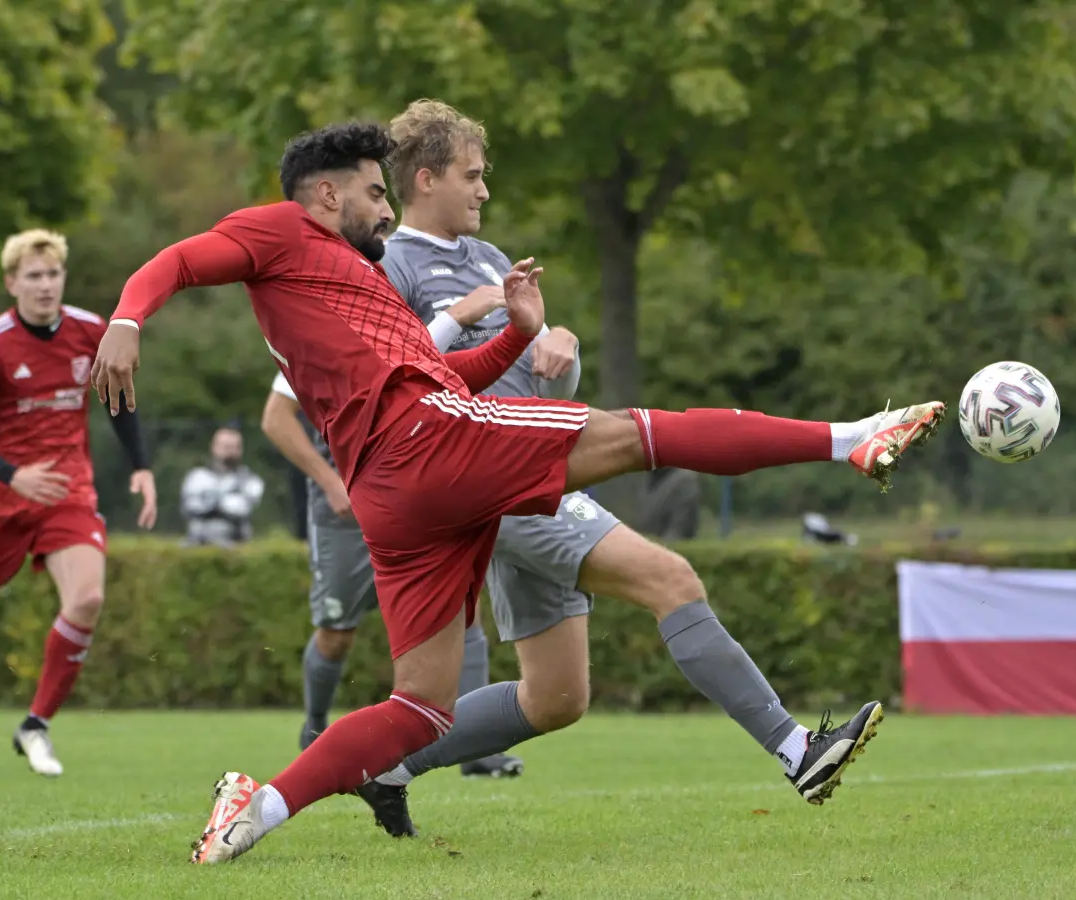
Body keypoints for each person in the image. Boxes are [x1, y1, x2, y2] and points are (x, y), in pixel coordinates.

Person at [93, 121, 941, 864]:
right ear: (323, 194)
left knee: (421, 708)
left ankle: (258, 807)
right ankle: (852, 439)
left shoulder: (357, 284)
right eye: (371, 193)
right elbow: (178, 259)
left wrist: (519, 338)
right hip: (426, 445)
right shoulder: (281, 229)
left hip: (399, 487)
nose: (383, 209)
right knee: (634, 433)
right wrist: (128, 321)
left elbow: (441, 372)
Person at [347, 99, 886, 839]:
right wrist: (461, 318)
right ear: (426, 178)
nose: (484, 191)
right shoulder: (391, 266)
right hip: (490, 481)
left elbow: (534, 387)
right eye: (472, 176)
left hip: (525, 470)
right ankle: (799, 751)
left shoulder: (491, 260)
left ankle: (389, 764)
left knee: (556, 698)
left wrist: (556, 352)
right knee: (671, 578)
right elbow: (399, 392)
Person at [260, 368, 524, 778]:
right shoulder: (317, 335)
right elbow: (275, 417)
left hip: (420, 498)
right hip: (345, 513)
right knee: (336, 633)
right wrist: (330, 481)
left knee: (459, 613)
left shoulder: (428, 329)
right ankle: (313, 730)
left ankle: (477, 753)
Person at [0, 229, 158, 777]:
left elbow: (120, 403)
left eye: (52, 274)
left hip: (68, 491)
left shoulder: (89, 331)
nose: (45, 285)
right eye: (33, 275)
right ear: (12, 283)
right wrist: (13, 475)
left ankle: (35, 726)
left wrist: (142, 466)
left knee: (87, 599)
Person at [180, 426, 264, 546]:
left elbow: (242, 509)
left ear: (240, 450)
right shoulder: (196, 477)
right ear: (214, 447)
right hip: (197, 541)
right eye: (225, 446)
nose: (229, 451)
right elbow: (190, 507)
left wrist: (213, 503)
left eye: (233, 447)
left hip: (235, 542)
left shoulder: (250, 480)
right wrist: (221, 503)